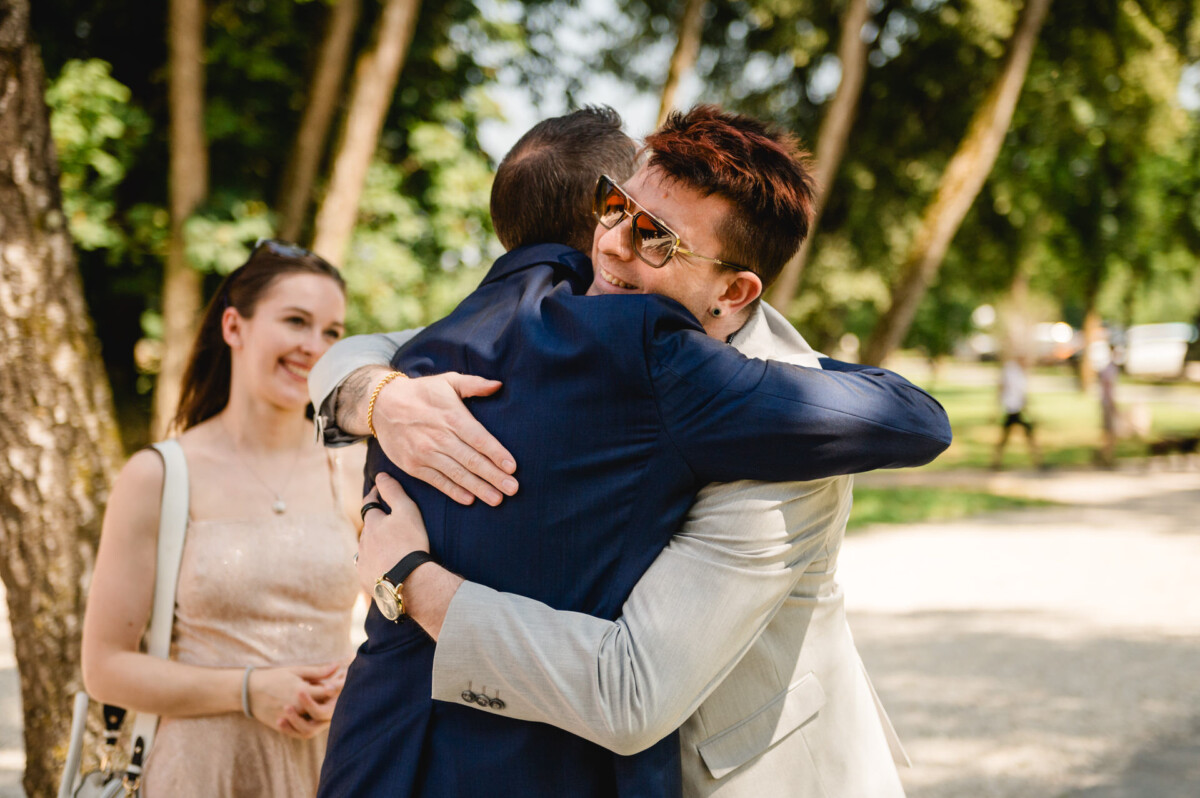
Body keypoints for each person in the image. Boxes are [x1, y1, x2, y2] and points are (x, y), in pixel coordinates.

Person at [315, 106, 951, 798]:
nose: (612, 244)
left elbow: (629, 693)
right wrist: (378, 397)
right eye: (615, 207)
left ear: (734, 290)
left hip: (744, 774)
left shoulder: (794, 438)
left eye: (655, 238)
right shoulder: (579, 304)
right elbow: (389, 347)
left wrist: (407, 580)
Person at [81, 242, 364, 797]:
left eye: (332, 332)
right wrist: (248, 691)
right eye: (296, 321)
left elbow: (401, 628)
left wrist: (355, 680)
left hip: (330, 769)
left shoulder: (353, 469)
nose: (315, 346)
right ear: (234, 326)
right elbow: (105, 668)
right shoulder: (158, 476)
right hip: (200, 773)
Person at [992, 354, 1042, 470]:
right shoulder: (1012, 371)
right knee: (1009, 437)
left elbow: (1022, 394)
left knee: (1026, 436)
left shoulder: (1019, 373)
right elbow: (1003, 388)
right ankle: (1037, 461)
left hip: (1017, 409)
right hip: (1012, 408)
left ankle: (1037, 461)